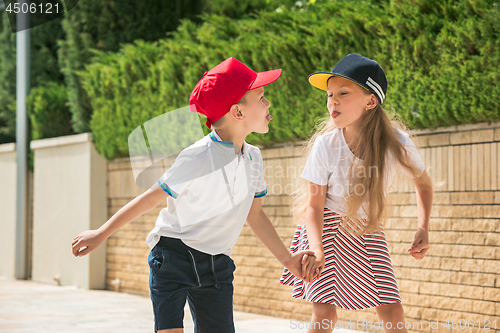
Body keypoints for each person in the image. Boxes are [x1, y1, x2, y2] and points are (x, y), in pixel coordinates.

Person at [71, 57, 318, 333]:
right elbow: (150, 198)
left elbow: (255, 214)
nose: (268, 103)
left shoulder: (254, 158)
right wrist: (101, 233)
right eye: (261, 98)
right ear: (237, 112)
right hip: (173, 256)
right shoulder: (197, 156)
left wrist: (288, 260)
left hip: (217, 265)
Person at [279, 53, 434, 333]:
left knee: (391, 306)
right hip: (323, 228)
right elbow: (313, 207)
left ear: (370, 101)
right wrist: (316, 249)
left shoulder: (398, 143)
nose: (332, 101)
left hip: (367, 228)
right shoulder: (326, 145)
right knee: (324, 310)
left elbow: (423, 183)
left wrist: (423, 227)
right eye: (329, 95)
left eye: (343, 93)